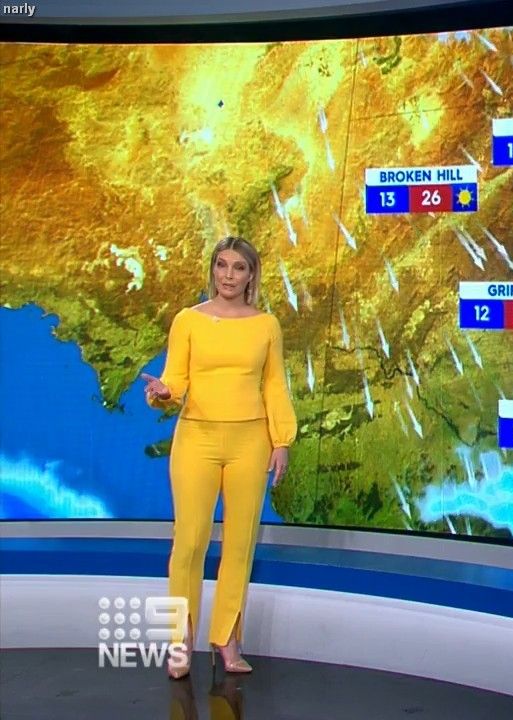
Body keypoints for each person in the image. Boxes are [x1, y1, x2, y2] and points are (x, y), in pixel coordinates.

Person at [141, 236, 296, 680]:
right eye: (222, 265)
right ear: (212, 270)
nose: (229, 275)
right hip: (197, 439)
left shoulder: (266, 325)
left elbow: (274, 385)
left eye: (238, 267)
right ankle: (179, 640)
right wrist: (163, 393)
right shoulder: (188, 320)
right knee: (189, 542)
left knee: (239, 543)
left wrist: (281, 440)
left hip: (251, 441)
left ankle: (226, 638)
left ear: (251, 275)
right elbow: (175, 379)